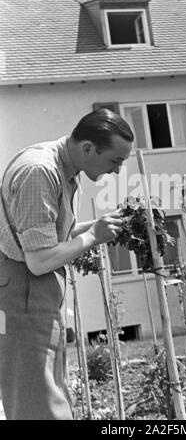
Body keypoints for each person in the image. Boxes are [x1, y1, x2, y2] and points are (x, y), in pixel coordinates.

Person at [0, 109, 134, 420]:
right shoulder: (40, 172)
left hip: (32, 291)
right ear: (88, 148)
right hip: (23, 291)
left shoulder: (63, 169)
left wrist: (96, 227)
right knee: (37, 402)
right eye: (115, 161)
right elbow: (38, 259)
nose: (116, 171)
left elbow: (49, 236)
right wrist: (93, 238)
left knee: (48, 392)